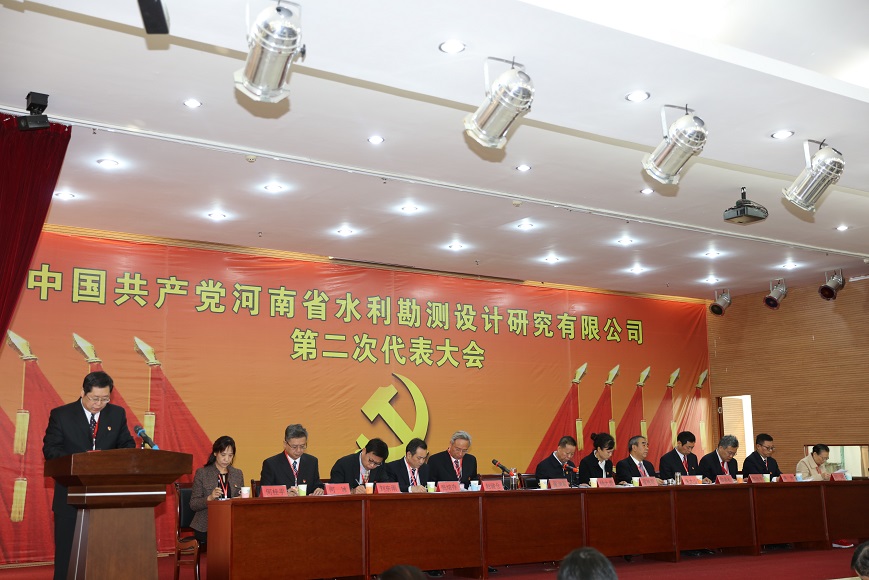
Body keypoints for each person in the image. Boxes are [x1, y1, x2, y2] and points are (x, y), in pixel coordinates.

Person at [42, 371, 136, 580]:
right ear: (82, 393)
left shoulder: (116, 414)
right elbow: (51, 450)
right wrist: (81, 462)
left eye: (105, 399)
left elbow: (127, 445)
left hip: (106, 497)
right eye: (94, 398)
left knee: (103, 555)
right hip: (70, 494)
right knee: (67, 556)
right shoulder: (62, 415)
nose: (99, 404)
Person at [189, 435, 245, 544]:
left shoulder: (237, 474)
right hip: (207, 524)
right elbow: (193, 504)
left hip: (231, 522)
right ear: (215, 453)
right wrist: (210, 498)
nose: (226, 459)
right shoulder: (202, 473)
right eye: (223, 455)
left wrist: (241, 500)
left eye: (230, 455)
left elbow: (241, 499)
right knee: (224, 539)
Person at [260, 424, 324, 495]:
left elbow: (317, 485)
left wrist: (319, 490)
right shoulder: (271, 464)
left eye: (302, 446)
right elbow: (264, 492)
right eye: (294, 447)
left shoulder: (312, 462)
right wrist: (284, 494)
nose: (298, 450)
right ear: (285, 444)